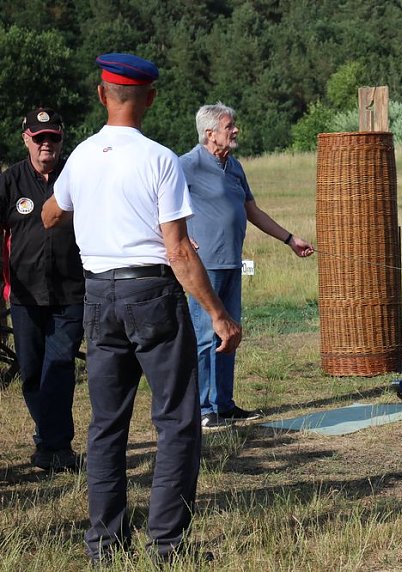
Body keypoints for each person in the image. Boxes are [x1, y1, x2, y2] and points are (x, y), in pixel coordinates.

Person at [42, 53, 241, 564]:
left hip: (97, 293)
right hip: (150, 294)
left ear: (100, 94)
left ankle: (104, 546)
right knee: (176, 420)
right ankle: (167, 545)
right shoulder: (159, 159)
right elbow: (177, 249)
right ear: (150, 98)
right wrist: (218, 313)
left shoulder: (81, 156)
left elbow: (49, 215)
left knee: (107, 424)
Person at [179, 103, 313, 430]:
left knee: (231, 335)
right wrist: (177, 238)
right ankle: (203, 408)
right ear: (210, 133)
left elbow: (253, 211)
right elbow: (159, 206)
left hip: (231, 265)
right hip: (202, 268)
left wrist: (289, 239)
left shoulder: (235, 167)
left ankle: (224, 404)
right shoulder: (186, 165)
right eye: (229, 126)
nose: (235, 130)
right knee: (206, 336)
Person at [0, 108, 84, 471]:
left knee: (60, 365)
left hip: (72, 291)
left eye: (53, 137)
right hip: (25, 293)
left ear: (62, 139)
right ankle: (47, 439)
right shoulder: (10, 181)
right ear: (27, 140)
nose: (46, 144)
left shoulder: (78, 177)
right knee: (32, 370)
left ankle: (57, 446)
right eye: (39, 138)